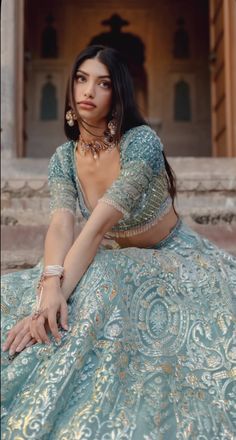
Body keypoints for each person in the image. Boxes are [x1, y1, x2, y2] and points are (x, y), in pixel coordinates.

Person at [1, 45, 235, 440]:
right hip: (118, 256)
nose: (88, 90)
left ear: (118, 93)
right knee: (16, 292)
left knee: (97, 276)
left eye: (102, 83)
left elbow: (94, 229)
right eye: (81, 78)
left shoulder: (140, 143)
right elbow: (62, 225)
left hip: (174, 259)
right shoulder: (63, 158)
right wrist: (49, 287)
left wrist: (48, 307)